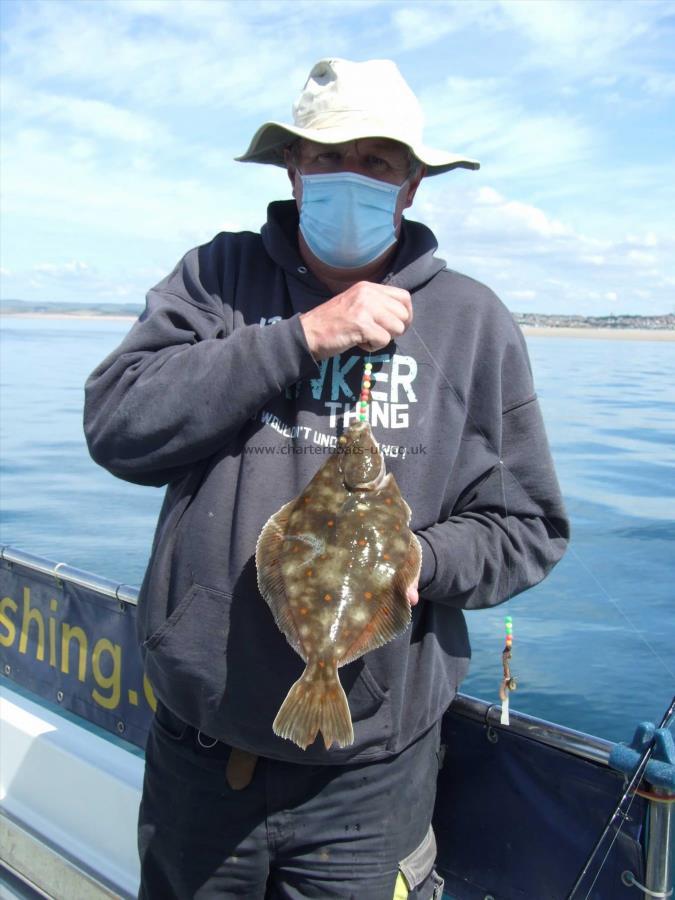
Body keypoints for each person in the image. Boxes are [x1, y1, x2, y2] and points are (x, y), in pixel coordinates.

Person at [84, 58, 569, 900]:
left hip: (370, 779)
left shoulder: (471, 322)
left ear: (413, 184)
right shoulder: (216, 281)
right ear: (292, 170)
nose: (353, 177)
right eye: (327, 157)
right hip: (203, 757)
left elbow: (526, 525)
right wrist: (296, 338)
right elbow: (118, 427)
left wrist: (422, 560)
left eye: (378, 161)